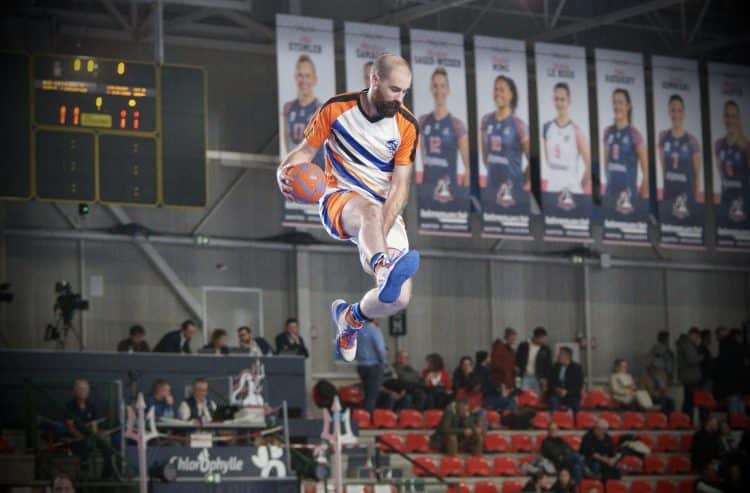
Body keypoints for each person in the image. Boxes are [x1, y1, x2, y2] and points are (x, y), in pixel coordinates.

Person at [276, 53, 420, 363]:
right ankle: (382, 267)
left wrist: (380, 230)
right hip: (340, 198)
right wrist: (283, 172)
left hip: (384, 210)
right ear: (374, 80)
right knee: (368, 213)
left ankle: (351, 318)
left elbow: (400, 188)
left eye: (405, 91)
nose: (399, 98)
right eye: (394, 89)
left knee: (398, 299)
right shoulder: (336, 108)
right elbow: (305, 152)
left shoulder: (407, 126)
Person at [416, 67, 470, 211]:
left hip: (450, 193)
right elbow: (420, 159)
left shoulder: (457, 124)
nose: (439, 90)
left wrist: (462, 196)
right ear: (430, 88)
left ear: (448, 90)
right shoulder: (422, 121)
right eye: (435, 86)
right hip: (427, 192)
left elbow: (468, 167)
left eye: (442, 86)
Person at [479, 75, 530, 211]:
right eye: (496, 89)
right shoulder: (485, 120)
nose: (498, 93)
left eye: (502, 90)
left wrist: (521, 179)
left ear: (511, 94)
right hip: (491, 189)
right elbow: (485, 157)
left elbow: (533, 161)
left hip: (513, 190)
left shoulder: (518, 125)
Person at [542, 82, 592, 210]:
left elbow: (589, 166)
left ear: (569, 101)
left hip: (571, 194)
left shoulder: (576, 131)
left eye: (562, 99)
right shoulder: (547, 128)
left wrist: (578, 187)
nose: (559, 103)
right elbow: (548, 161)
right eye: (556, 99)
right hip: (552, 191)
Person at [602, 88, 649, 216]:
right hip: (610, 196)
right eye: (614, 102)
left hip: (629, 199)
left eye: (620, 103)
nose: (617, 106)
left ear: (628, 106)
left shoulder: (635, 134)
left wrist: (640, 199)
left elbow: (646, 171)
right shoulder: (607, 132)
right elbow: (606, 167)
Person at [657, 94, 703, 219]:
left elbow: (697, 176)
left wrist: (696, 203)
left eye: (679, 110)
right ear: (668, 112)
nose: (676, 114)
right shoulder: (662, 137)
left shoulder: (692, 141)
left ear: (683, 113)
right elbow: (663, 169)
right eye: (673, 110)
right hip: (668, 197)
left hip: (687, 200)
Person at [281, 54, 324, 167]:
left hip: (316, 172)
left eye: (307, 76)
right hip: (295, 172)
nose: (303, 80)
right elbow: (287, 139)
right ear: (295, 77)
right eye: (300, 75)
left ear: (315, 79)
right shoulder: (288, 107)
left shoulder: (321, 109)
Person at [713, 100, 749, 229]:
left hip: (744, 207)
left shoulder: (746, 147)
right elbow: (721, 176)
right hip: (725, 204)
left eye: (733, 116)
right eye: (727, 116)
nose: (730, 120)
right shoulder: (718, 145)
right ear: (723, 118)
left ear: (738, 119)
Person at [356, 320, 386, 413]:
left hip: (361, 365)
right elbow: (380, 348)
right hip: (373, 365)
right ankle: (367, 418)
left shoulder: (358, 330)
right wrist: (383, 362)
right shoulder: (374, 330)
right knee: (372, 395)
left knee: (365, 393)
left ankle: (363, 416)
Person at [714, 328, 746, 414]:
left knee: (733, 408)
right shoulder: (739, 346)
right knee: (740, 406)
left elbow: (722, 367)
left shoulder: (724, 345)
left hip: (730, 384)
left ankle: (736, 425)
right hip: (739, 383)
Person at [676, 327, 704, 416]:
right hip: (690, 377)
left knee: (688, 400)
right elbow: (691, 360)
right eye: (697, 337)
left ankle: (686, 420)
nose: (697, 339)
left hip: (687, 376)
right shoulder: (688, 344)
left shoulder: (685, 344)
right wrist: (702, 357)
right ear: (693, 334)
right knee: (690, 401)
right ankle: (687, 420)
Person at [516, 326, 552, 393]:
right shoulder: (523, 346)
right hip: (525, 375)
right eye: (542, 338)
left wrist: (545, 378)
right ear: (536, 337)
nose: (544, 340)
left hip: (538, 377)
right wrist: (517, 367)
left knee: (537, 397)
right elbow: (517, 359)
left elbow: (548, 365)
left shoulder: (546, 349)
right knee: (525, 395)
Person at [548, 347, 583, 413]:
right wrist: (557, 389)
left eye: (561, 354)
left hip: (571, 395)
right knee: (553, 401)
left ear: (568, 356)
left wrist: (567, 392)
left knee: (575, 404)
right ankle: (555, 421)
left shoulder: (577, 368)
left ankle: (575, 422)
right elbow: (550, 382)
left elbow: (578, 386)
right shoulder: (555, 367)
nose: (558, 356)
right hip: (557, 394)